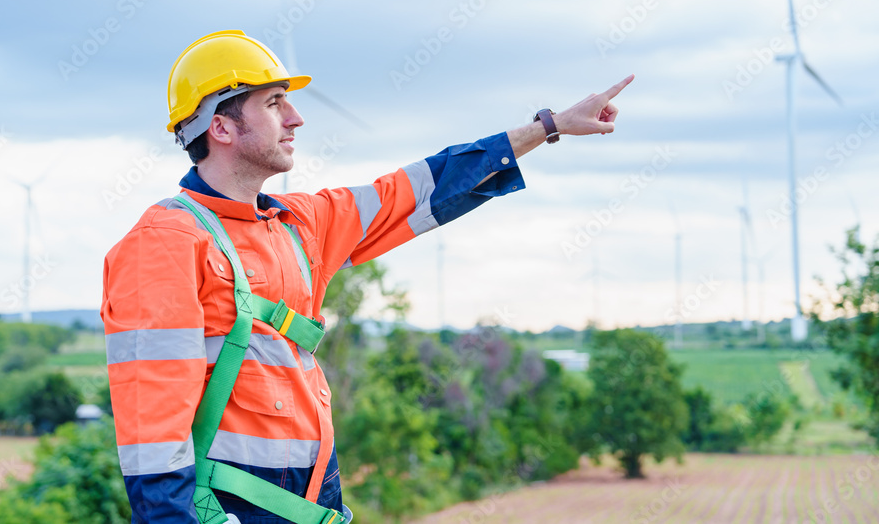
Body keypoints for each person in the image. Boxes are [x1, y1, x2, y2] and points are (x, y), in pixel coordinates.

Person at [101, 29, 634, 523]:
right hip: (234, 506)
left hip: (316, 498)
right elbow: (153, 428)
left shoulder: (299, 222)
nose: (296, 118)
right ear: (220, 126)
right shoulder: (163, 245)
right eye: (273, 102)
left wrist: (549, 127)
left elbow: (424, 186)